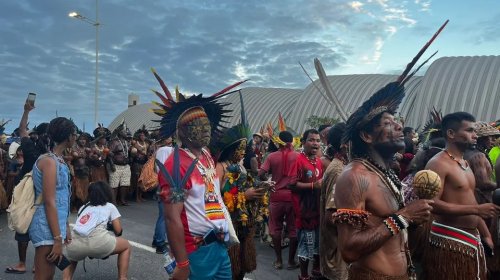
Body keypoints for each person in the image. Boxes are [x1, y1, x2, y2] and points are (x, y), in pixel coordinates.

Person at [333, 60, 435, 279]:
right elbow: (349, 250)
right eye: (388, 123)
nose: (399, 126)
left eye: (396, 121)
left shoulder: (385, 173)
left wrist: (415, 220)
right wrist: (404, 216)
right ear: (366, 136)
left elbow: (394, 231)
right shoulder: (354, 177)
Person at [152, 69, 244, 280]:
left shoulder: (207, 155)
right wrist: (183, 263)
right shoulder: (175, 166)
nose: (205, 130)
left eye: (206, 125)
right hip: (197, 251)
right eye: (196, 126)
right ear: (182, 132)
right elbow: (171, 217)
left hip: (219, 246)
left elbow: (213, 196)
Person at [423, 112, 500, 280]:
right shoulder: (438, 163)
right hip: (450, 241)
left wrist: (485, 233)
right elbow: (431, 203)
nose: (475, 135)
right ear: (451, 134)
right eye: (470, 131)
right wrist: (477, 209)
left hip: (471, 239)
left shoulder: (464, 162)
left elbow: (470, 199)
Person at [214, 124, 270, 280]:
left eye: (245, 148)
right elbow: (215, 198)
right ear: (232, 150)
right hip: (230, 221)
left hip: (245, 221)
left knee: (242, 265)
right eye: (241, 148)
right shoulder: (220, 167)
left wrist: (262, 188)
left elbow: (247, 187)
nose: (244, 152)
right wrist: (244, 196)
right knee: (231, 265)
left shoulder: (240, 166)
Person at [29, 117, 75, 280]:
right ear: (69, 136)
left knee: (49, 274)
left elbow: (63, 199)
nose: (75, 138)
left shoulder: (58, 160)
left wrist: (66, 227)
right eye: (74, 134)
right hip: (45, 225)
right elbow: (49, 201)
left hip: (55, 225)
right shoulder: (49, 162)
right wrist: (57, 238)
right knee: (43, 275)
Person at [5, 101, 48, 275]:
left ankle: (25, 263)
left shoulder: (32, 147)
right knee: (37, 225)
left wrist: (26, 111)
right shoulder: (49, 150)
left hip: (31, 190)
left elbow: (22, 129)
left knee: (25, 225)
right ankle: (34, 264)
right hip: (38, 190)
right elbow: (23, 130)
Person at [63, 181, 131, 280]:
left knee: (72, 257)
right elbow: (118, 231)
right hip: (99, 243)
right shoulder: (110, 206)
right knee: (126, 246)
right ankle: (122, 278)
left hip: (75, 244)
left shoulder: (83, 207)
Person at [258, 131, 300, 271]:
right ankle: (291, 261)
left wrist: (269, 182)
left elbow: (261, 174)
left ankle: (278, 260)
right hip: (293, 196)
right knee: (293, 229)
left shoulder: (271, 156)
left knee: (276, 228)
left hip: (276, 196)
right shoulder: (298, 156)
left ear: (278, 142)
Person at [290, 129, 323, 280]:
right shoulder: (298, 160)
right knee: (305, 244)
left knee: (316, 243)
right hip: (304, 213)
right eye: (311, 140)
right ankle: (303, 276)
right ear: (303, 143)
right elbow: (291, 184)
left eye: (317, 140)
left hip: (317, 210)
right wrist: (312, 186)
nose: (315, 143)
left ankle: (316, 269)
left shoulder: (318, 161)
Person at [320, 123, 348, 280]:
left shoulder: (342, 166)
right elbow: (331, 217)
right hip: (337, 253)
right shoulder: (338, 170)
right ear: (345, 144)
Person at [152, 136, 173, 254]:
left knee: (162, 215)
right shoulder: (166, 150)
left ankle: (156, 239)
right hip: (167, 183)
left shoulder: (161, 150)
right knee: (165, 215)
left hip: (163, 182)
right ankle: (160, 243)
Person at [108, 122, 132, 206]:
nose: (126, 132)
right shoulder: (114, 142)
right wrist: (111, 165)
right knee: (114, 184)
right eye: (124, 131)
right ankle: (113, 201)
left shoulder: (127, 142)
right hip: (116, 166)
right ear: (120, 132)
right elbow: (109, 154)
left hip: (125, 166)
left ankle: (122, 200)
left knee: (124, 184)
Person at [130, 126, 150, 202]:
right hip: (136, 164)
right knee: (136, 180)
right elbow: (132, 153)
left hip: (143, 164)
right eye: (141, 135)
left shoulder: (147, 144)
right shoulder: (135, 144)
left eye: (143, 135)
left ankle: (140, 196)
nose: (142, 136)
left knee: (142, 180)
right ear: (138, 136)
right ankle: (136, 197)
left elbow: (148, 154)